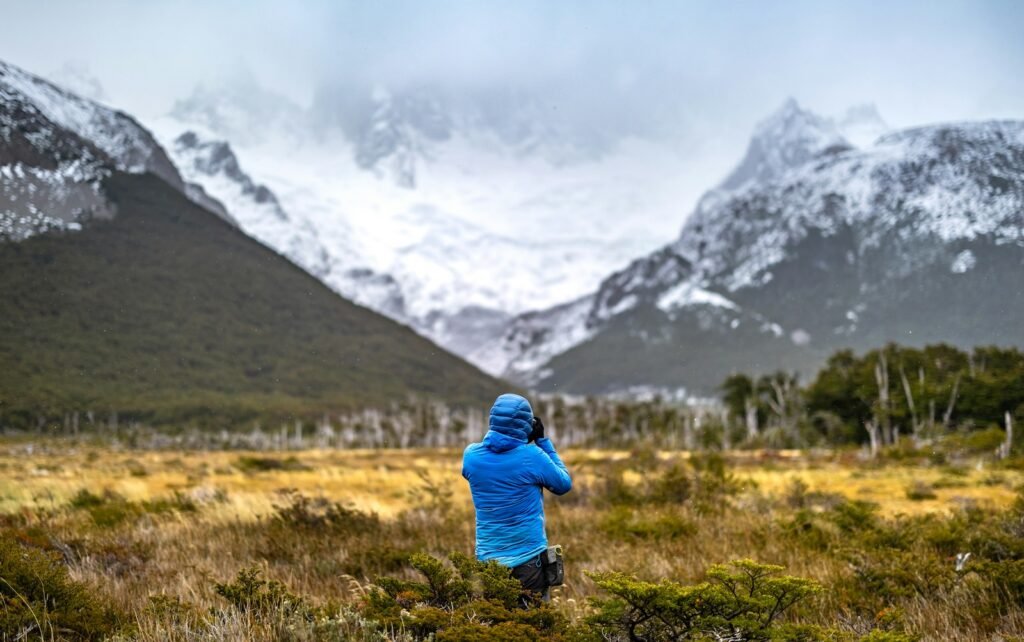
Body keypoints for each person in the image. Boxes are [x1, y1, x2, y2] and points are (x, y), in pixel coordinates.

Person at [462, 393, 573, 603]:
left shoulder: (471, 455)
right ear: (526, 425)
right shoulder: (533, 456)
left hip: (488, 560)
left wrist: (516, 440)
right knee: (535, 626)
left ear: (492, 419)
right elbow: (563, 484)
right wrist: (542, 441)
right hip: (529, 559)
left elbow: (488, 465)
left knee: (497, 621)